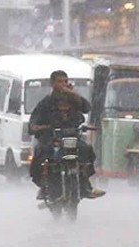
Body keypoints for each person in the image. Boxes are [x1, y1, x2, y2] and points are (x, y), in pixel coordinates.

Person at [29, 70, 105, 200]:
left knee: (86, 150)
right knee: (41, 153)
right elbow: (33, 124)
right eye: (59, 82)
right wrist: (43, 128)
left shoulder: (73, 100)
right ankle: (44, 186)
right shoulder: (45, 103)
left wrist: (72, 93)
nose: (63, 84)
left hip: (71, 139)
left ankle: (85, 185)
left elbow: (86, 107)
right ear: (52, 83)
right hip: (52, 139)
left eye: (65, 81)